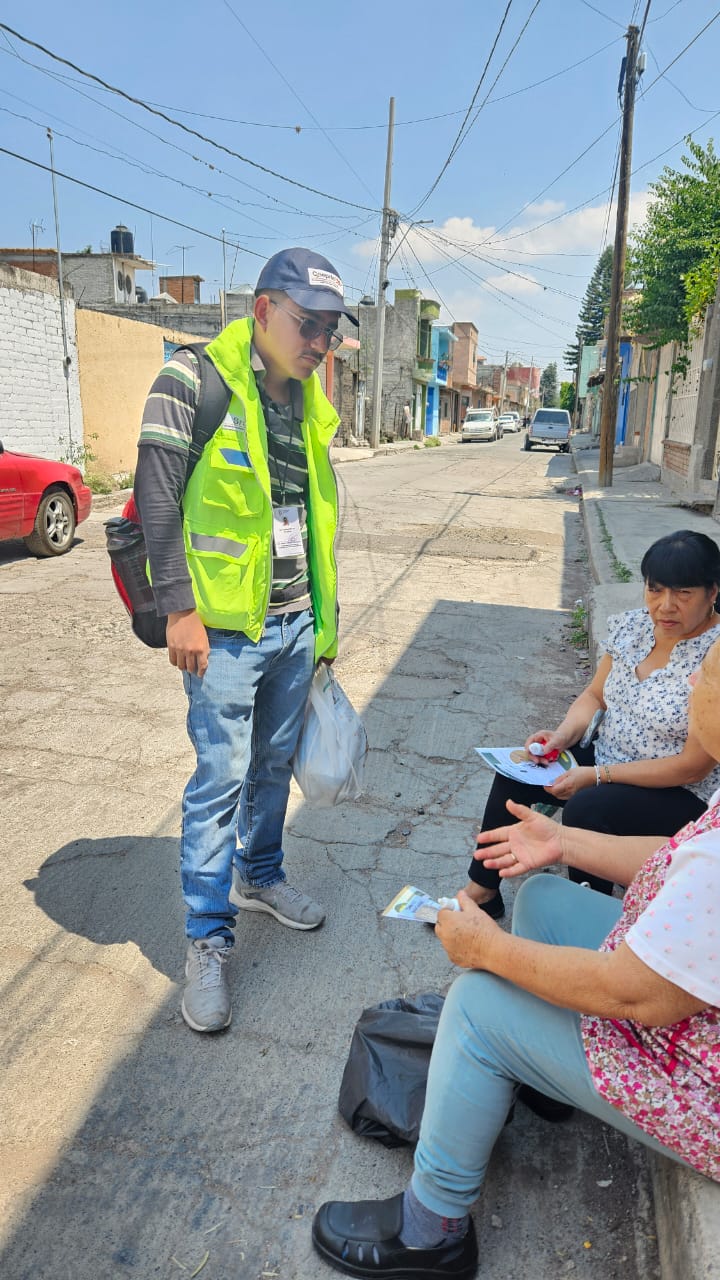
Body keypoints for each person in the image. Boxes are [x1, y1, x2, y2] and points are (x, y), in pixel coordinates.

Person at [311, 638, 720, 1280]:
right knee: (547, 901)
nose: (697, 682)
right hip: (696, 1024)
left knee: (476, 1003)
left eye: (711, 674)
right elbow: (679, 859)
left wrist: (488, 950)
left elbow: (637, 996)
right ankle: (545, 1080)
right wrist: (562, 840)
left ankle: (431, 1232)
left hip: (701, 1082)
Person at [134, 247, 358, 1033]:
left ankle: (260, 874)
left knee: (272, 766)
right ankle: (206, 937)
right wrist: (179, 610)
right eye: (308, 324)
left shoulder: (307, 398)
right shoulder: (193, 380)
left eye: (330, 330)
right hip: (224, 633)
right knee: (220, 780)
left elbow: (314, 521)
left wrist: (323, 627)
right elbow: (155, 496)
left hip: (296, 624)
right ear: (262, 309)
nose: (320, 342)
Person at [464, 529, 720, 915]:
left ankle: (594, 914)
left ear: (713, 592)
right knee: (519, 772)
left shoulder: (715, 656)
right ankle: (483, 889)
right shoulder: (633, 628)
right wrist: (563, 736)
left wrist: (597, 775)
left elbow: (693, 766)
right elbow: (595, 695)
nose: (666, 606)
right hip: (606, 756)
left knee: (587, 807)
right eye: (656, 590)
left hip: (680, 791)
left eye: (684, 594)